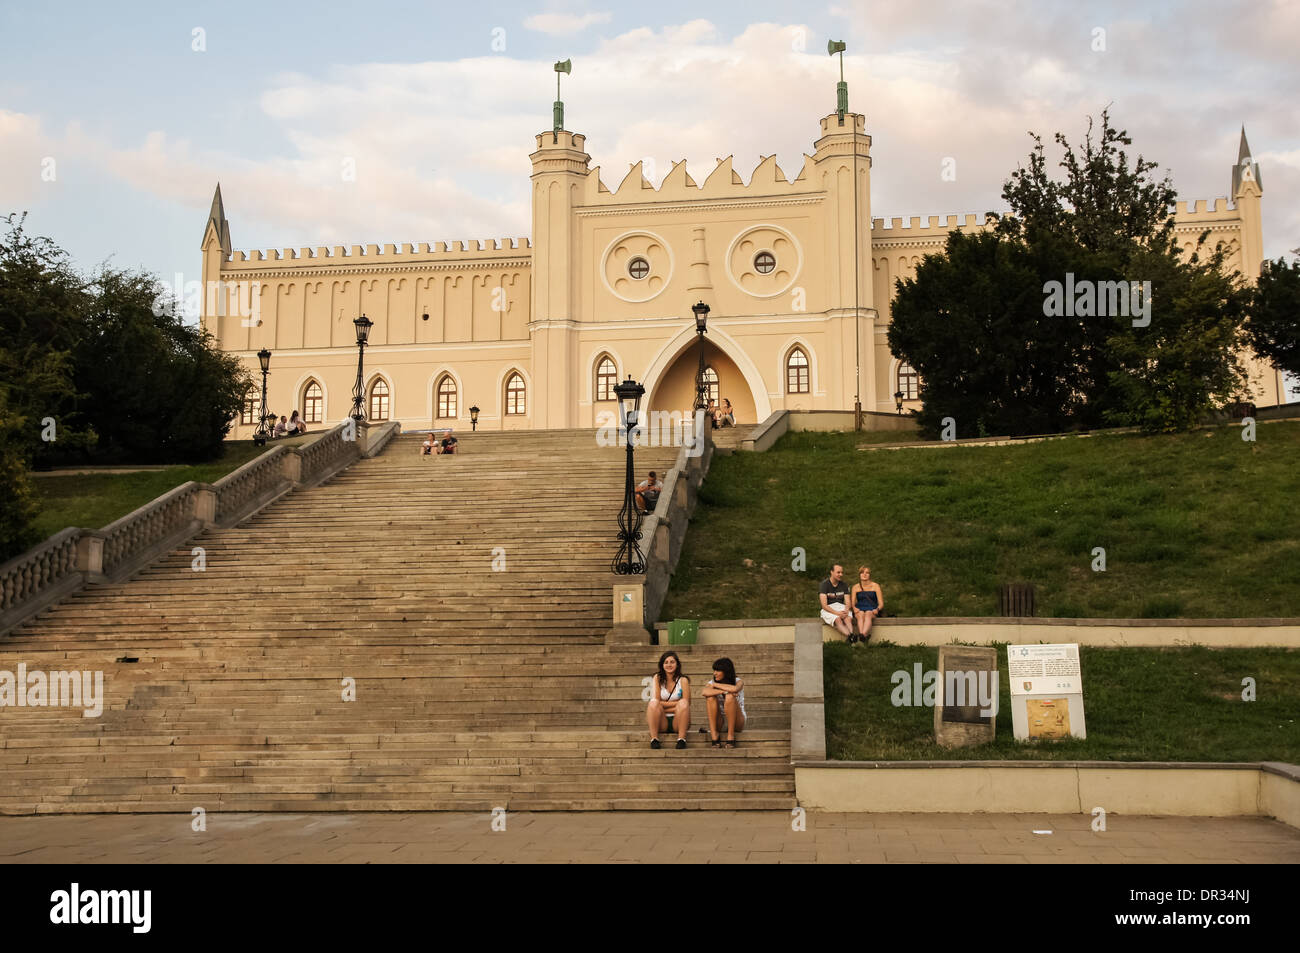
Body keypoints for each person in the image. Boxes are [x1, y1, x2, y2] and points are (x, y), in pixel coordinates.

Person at [646, 650, 690, 749]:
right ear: (662, 665)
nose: (669, 665)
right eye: (666, 662)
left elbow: (687, 703)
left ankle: (681, 739)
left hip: (678, 720)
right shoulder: (657, 678)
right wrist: (677, 705)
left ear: (677, 664)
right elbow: (657, 702)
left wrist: (664, 706)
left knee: (683, 703)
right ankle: (654, 739)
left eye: (672, 662)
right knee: (653, 703)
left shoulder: (683, 680)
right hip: (662, 720)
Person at [702, 657, 745, 748]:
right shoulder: (712, 682)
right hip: (720, 720)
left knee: (730, 697)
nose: (715, 673)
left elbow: (735, 689)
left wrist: (715, 685)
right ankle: (714, 735)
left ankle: (730, 735)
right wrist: (722, 691)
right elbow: (704, 692)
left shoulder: (738, 681)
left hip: (737, 720)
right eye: (714, 670)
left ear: (726, 671)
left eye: (718, 671)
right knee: (710, 698)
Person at [849, 565, 885, 644]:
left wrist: (877, 609)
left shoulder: (875, 586)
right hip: (860, 608)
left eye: (867, 573)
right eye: (862, 572)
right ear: (859, 575)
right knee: (861, 614)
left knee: (868, 614)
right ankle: (863, 637)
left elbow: (881, 603)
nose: (864, 574)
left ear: (870, 575)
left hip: (872, 608)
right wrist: (854, 608)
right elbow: (852, 603)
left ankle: (862, 635)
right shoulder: (855, 587)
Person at [819, 564, 853, 638]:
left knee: (848, 618)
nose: (841, 574)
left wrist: (846, 610)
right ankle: (851, 636)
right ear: (832, 572)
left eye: (842, 572)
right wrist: (837, 613)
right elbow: (824, 605)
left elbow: (848, 602)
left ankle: (852, 637)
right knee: (837, 619)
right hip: (829, 609)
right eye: (838, 572)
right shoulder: (824, 585)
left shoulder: (844, 585)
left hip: (841, 607)